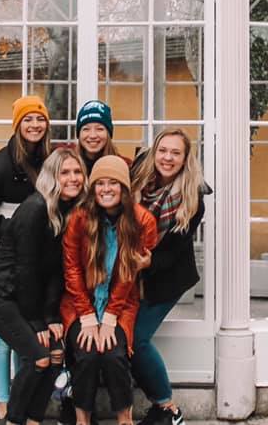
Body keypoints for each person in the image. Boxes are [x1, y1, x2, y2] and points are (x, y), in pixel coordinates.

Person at [0, 147, 89, 425]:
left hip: (24, 297)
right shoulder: (35, 208)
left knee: (55, 355)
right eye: (65, 172)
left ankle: (34, 420)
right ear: (52, 177)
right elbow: (26, 270)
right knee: (38, 358)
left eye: (77, 172)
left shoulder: (68, 211)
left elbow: (54, 271)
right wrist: (38, 322)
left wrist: (51, 317)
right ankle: (12, 420)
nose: (73, 178)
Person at [0, 94, 53, 425]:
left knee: (27, 334)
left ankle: (24, 397)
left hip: (37, 258)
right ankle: (4, 404)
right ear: (17, 125)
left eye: (40, 119)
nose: (35, 125)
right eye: (28, 119)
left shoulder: (49, 159)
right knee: (5, 335)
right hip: (3, 257)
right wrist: (16, 231)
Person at [61, 156, 157, 425]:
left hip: (121, 303)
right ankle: (82, 420)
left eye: (113, 183)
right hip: (80, 303)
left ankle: (124, 420)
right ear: (92, 189)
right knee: (87, 352)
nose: (105, 189)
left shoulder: (142, 220)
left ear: (124, 188)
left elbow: (129, 273)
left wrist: (111, 316)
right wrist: (87, 315)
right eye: (100, 183)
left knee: (114, 354)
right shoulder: (79, 218)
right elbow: (72, 270)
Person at [129, 129, 207, 425]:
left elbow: (174, 249)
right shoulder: (138, 177)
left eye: (176, 153)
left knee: (136, 339)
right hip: (127, 271)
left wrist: (148, 262)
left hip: (166, 275)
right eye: (163, 150)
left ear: (185, 159)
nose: (167, 158)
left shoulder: (192, 197)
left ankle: (168, 408)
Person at [75, 100, 121, 174]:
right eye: (86, 129)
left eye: (99, 129)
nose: (92, 135)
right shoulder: (68, 166)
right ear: (79, 134)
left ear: (108, 133)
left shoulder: (122, 165)